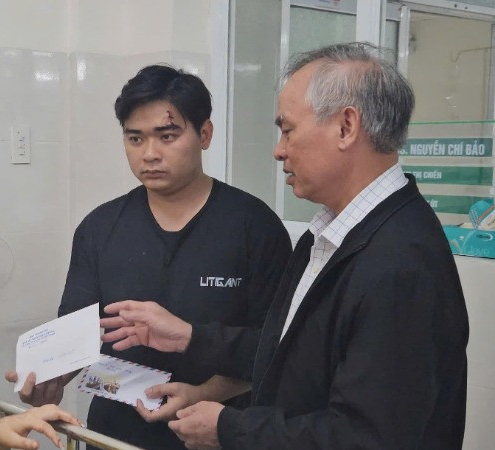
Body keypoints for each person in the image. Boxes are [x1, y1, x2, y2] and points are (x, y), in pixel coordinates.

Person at [101, 42, 469, 449]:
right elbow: (283, 352)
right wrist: (190, 338)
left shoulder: (399, 262)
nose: (278, 150)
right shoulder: (329, 237)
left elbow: (368, 438)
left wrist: (229, 429)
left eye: (288, 130)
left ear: (346, 127)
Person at [6, 64, 291, 449]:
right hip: (113, 436)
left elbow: (276, 350)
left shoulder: (254, 227)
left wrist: (202, 394)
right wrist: (52, 377)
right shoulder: (100, 228)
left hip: (215, 435)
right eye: (135, 139)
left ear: (204, 134)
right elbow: (77, 333)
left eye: (167, 136)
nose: (150, 154)